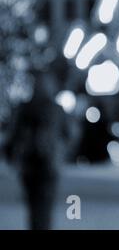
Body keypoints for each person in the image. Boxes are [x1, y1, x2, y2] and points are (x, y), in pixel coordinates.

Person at [6, 70, 70, 230]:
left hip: (29, 161)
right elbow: (68, 134)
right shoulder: (57, 109)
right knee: (45, 204)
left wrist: (11, 156)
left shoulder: (24, 108)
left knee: (33, 204)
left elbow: (13, 135)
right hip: (50, 160)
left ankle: (36, 225)